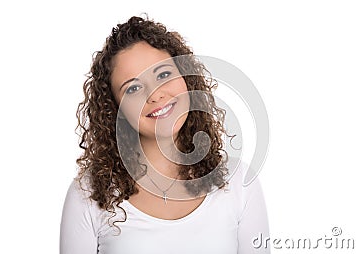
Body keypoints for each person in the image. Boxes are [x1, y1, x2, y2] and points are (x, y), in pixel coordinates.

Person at [60, 15, 270, 254]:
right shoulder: (89, 193)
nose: (156, 94)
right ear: (115, 109)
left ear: (185, 77)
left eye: (163, 75)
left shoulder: (239, 182)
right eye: (134, 88)